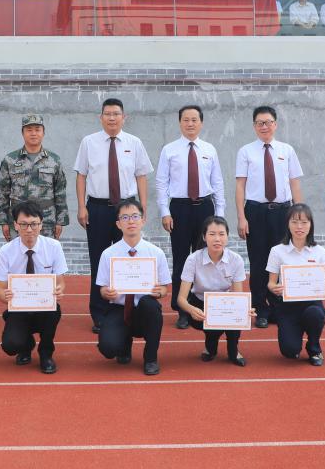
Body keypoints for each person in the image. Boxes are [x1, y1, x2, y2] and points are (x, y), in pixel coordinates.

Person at [75, 98, 154, 333]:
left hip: (127, 208)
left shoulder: (134, 142)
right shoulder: (89, 142)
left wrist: (142, 208)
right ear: (101, 117)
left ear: (124, 117)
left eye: (116, 114)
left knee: (129, 258)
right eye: (107, 114)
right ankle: (99, 313)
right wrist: (81, 206)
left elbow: (141, 176)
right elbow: (81, 175)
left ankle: (129, 309)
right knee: (99, 259)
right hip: (98, 208)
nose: (112, 118)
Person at [156, 104, 225, 330]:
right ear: (180, 123)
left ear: (201, 123)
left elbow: (217, 182)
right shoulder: (169, 150)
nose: (190, 124)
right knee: (181, 260)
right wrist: (165, 212)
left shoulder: (209, 149)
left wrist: (220, 214)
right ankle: (182, 310)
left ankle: (200, 305)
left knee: (204, 259)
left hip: (205, 207)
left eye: (194, 120)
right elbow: (161, 182)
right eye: (186, 120)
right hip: (180, 209)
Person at [235, 105, 304, 328]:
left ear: (275, 124)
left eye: (268, 122)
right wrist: (241, 217)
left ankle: (280, 307)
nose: (264, 126)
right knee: (258, 262)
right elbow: (240, 185)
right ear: (254, 126)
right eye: (260, 123)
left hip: (283, 212)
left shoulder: (287, 150)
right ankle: (261, 309)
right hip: (255, 211)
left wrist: (299, 213)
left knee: (283, 260)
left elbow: (294, 182)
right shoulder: (245, 151)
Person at [95, 199, 171, 376]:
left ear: (143, 220)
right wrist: (106, 292)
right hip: (119, 308)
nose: (131, 221)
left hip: (145, 309)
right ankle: (124, 345)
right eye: (125, 217)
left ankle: (150, 358)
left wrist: (160, 292)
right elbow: (102, 289)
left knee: (150, 305)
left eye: (135, 216)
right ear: (118, 224)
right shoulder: (108, 254)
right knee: (108, 348)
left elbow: (164, 288)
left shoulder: (156, 253)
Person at [0, 200, 68, 374]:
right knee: (10, 346)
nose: (29, 229)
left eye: (34, 224)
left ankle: (46, 353)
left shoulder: (54, 247)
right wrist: (4, 296)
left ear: (41, 224)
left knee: (54, 311)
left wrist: (59, 290)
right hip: (19, 308)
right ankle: (25, 346)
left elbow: (61, 282)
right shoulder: (6, 251)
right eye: (24, 224)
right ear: (15, 225)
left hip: (45, 306)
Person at [266, 204, 325, 365]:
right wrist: (275, 288)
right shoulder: (277, 251)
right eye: (295, 222)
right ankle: (294, 335)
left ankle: (314, 347)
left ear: (311, 225)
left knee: (316, 314)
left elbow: (324, 282)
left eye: (304, 222)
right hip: (287, 307)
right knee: (290, 351)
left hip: (312, 304)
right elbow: (271, 283)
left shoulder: (319, 251)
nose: (299, 227)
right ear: (287, 224)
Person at [176, 216, 252, 366]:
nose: (217, 239)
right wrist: (191, 310)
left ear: (227, 237)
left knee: (236, 312)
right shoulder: (193, 259)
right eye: (212, 234)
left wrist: (244, 309)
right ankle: (210, 344)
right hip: (201, 303)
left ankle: (233, 349)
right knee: (212, 330)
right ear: (204, 237)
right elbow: (181, 299)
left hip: (227, 302)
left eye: (221, 234)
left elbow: (238, 296)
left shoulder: (236, 259)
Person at [0, 113, 67, 241]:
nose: (33, 133)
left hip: (46, 220)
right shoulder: (10, 160)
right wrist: (3, 221)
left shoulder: (54, 160)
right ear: (22, 133)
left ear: (43, 133)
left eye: (37, 130)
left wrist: (60, 221)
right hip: (18, 221)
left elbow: (60, 192)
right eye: (29, 130)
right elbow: (3, 192)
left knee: (45, 252)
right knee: (18, 251)